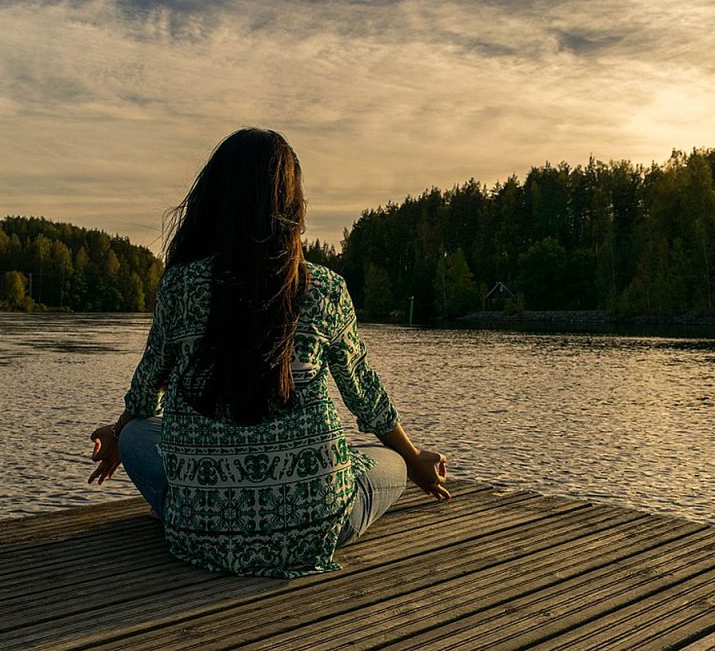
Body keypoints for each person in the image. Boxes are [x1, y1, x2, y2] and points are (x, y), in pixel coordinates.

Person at [88, 127, 449, 578]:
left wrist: (119, 433)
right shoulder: (326, 288)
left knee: (140, 432)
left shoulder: (179, 285)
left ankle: (199, 508)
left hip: (199, 536)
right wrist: (416, 461)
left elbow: (147, 388)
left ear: (215, 200)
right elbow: (365, 396)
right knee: (390, 461)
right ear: (292, 207)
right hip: (316, 528)